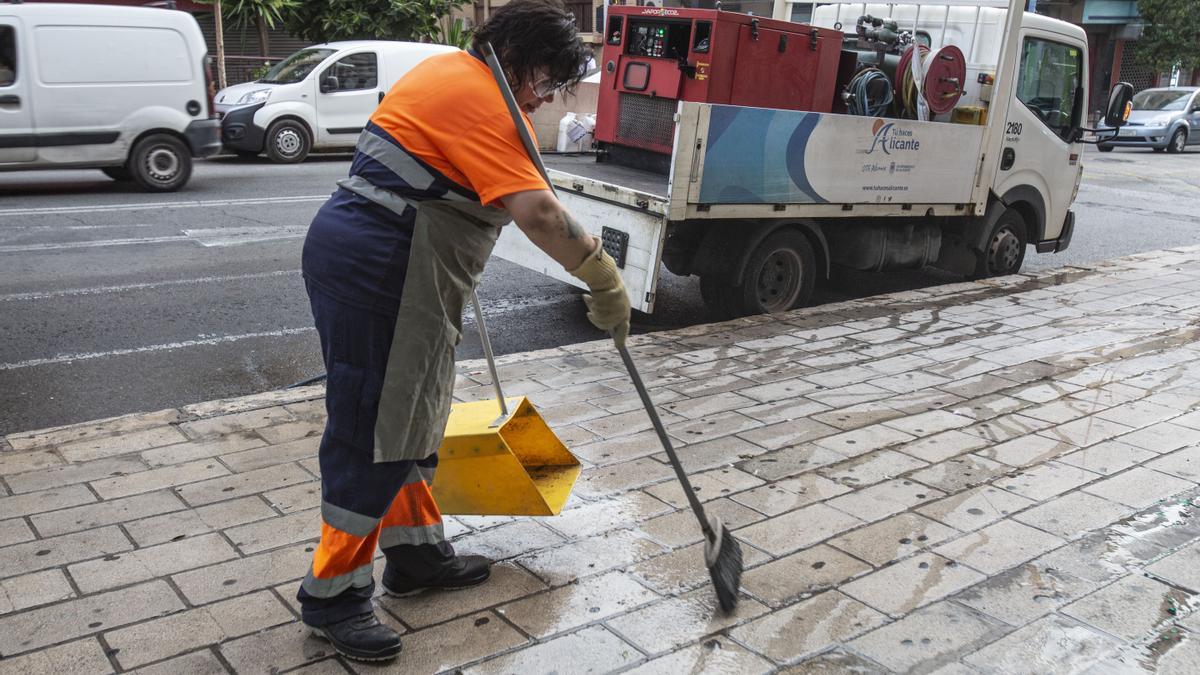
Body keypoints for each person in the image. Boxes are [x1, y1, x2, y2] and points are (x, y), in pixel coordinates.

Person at [295, 0, 631, 662]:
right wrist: (604, 277)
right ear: (515, 59)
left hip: (400, 262)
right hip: (384, 268)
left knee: (413, 421)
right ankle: (333, 597)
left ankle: (417, 557)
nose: (543, 98)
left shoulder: (449, 70)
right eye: (544, 79)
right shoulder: (484, 101)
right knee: (373, 433)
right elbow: (536, 209)